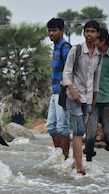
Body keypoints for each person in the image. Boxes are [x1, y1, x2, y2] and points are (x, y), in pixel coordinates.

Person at [61, 20, 102, 175]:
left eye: (92, 31)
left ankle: (75, 162)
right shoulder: (76, 50)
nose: (89, 34)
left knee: (81, 131)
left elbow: (96, 80)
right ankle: (79, 167)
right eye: (87, 31)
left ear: (97, 34)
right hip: (74, 96)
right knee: (78, 130)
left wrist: (93, 101)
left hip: (88, 98)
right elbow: (67, 73)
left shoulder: (99, 55)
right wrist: (74, 92)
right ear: (83, 33)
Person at [86, 27, 109, 167]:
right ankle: (88, 163)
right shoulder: (91, 57)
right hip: (93, 102)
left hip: (108, 101)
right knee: (91, 133)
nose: (92, 42)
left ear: (103, 41)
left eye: (96, 40)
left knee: (108, 133)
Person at [46, 18, 73, 159]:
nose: (52, 33)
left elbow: (71, 69)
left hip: (63, 92)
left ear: (62, 31)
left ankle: (65, 158)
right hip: (55, 91)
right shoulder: (56, 48)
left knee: (62, 127)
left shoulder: (65, 47)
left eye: (55, 30)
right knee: (51, 127)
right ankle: (59, 156)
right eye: (50, 30)